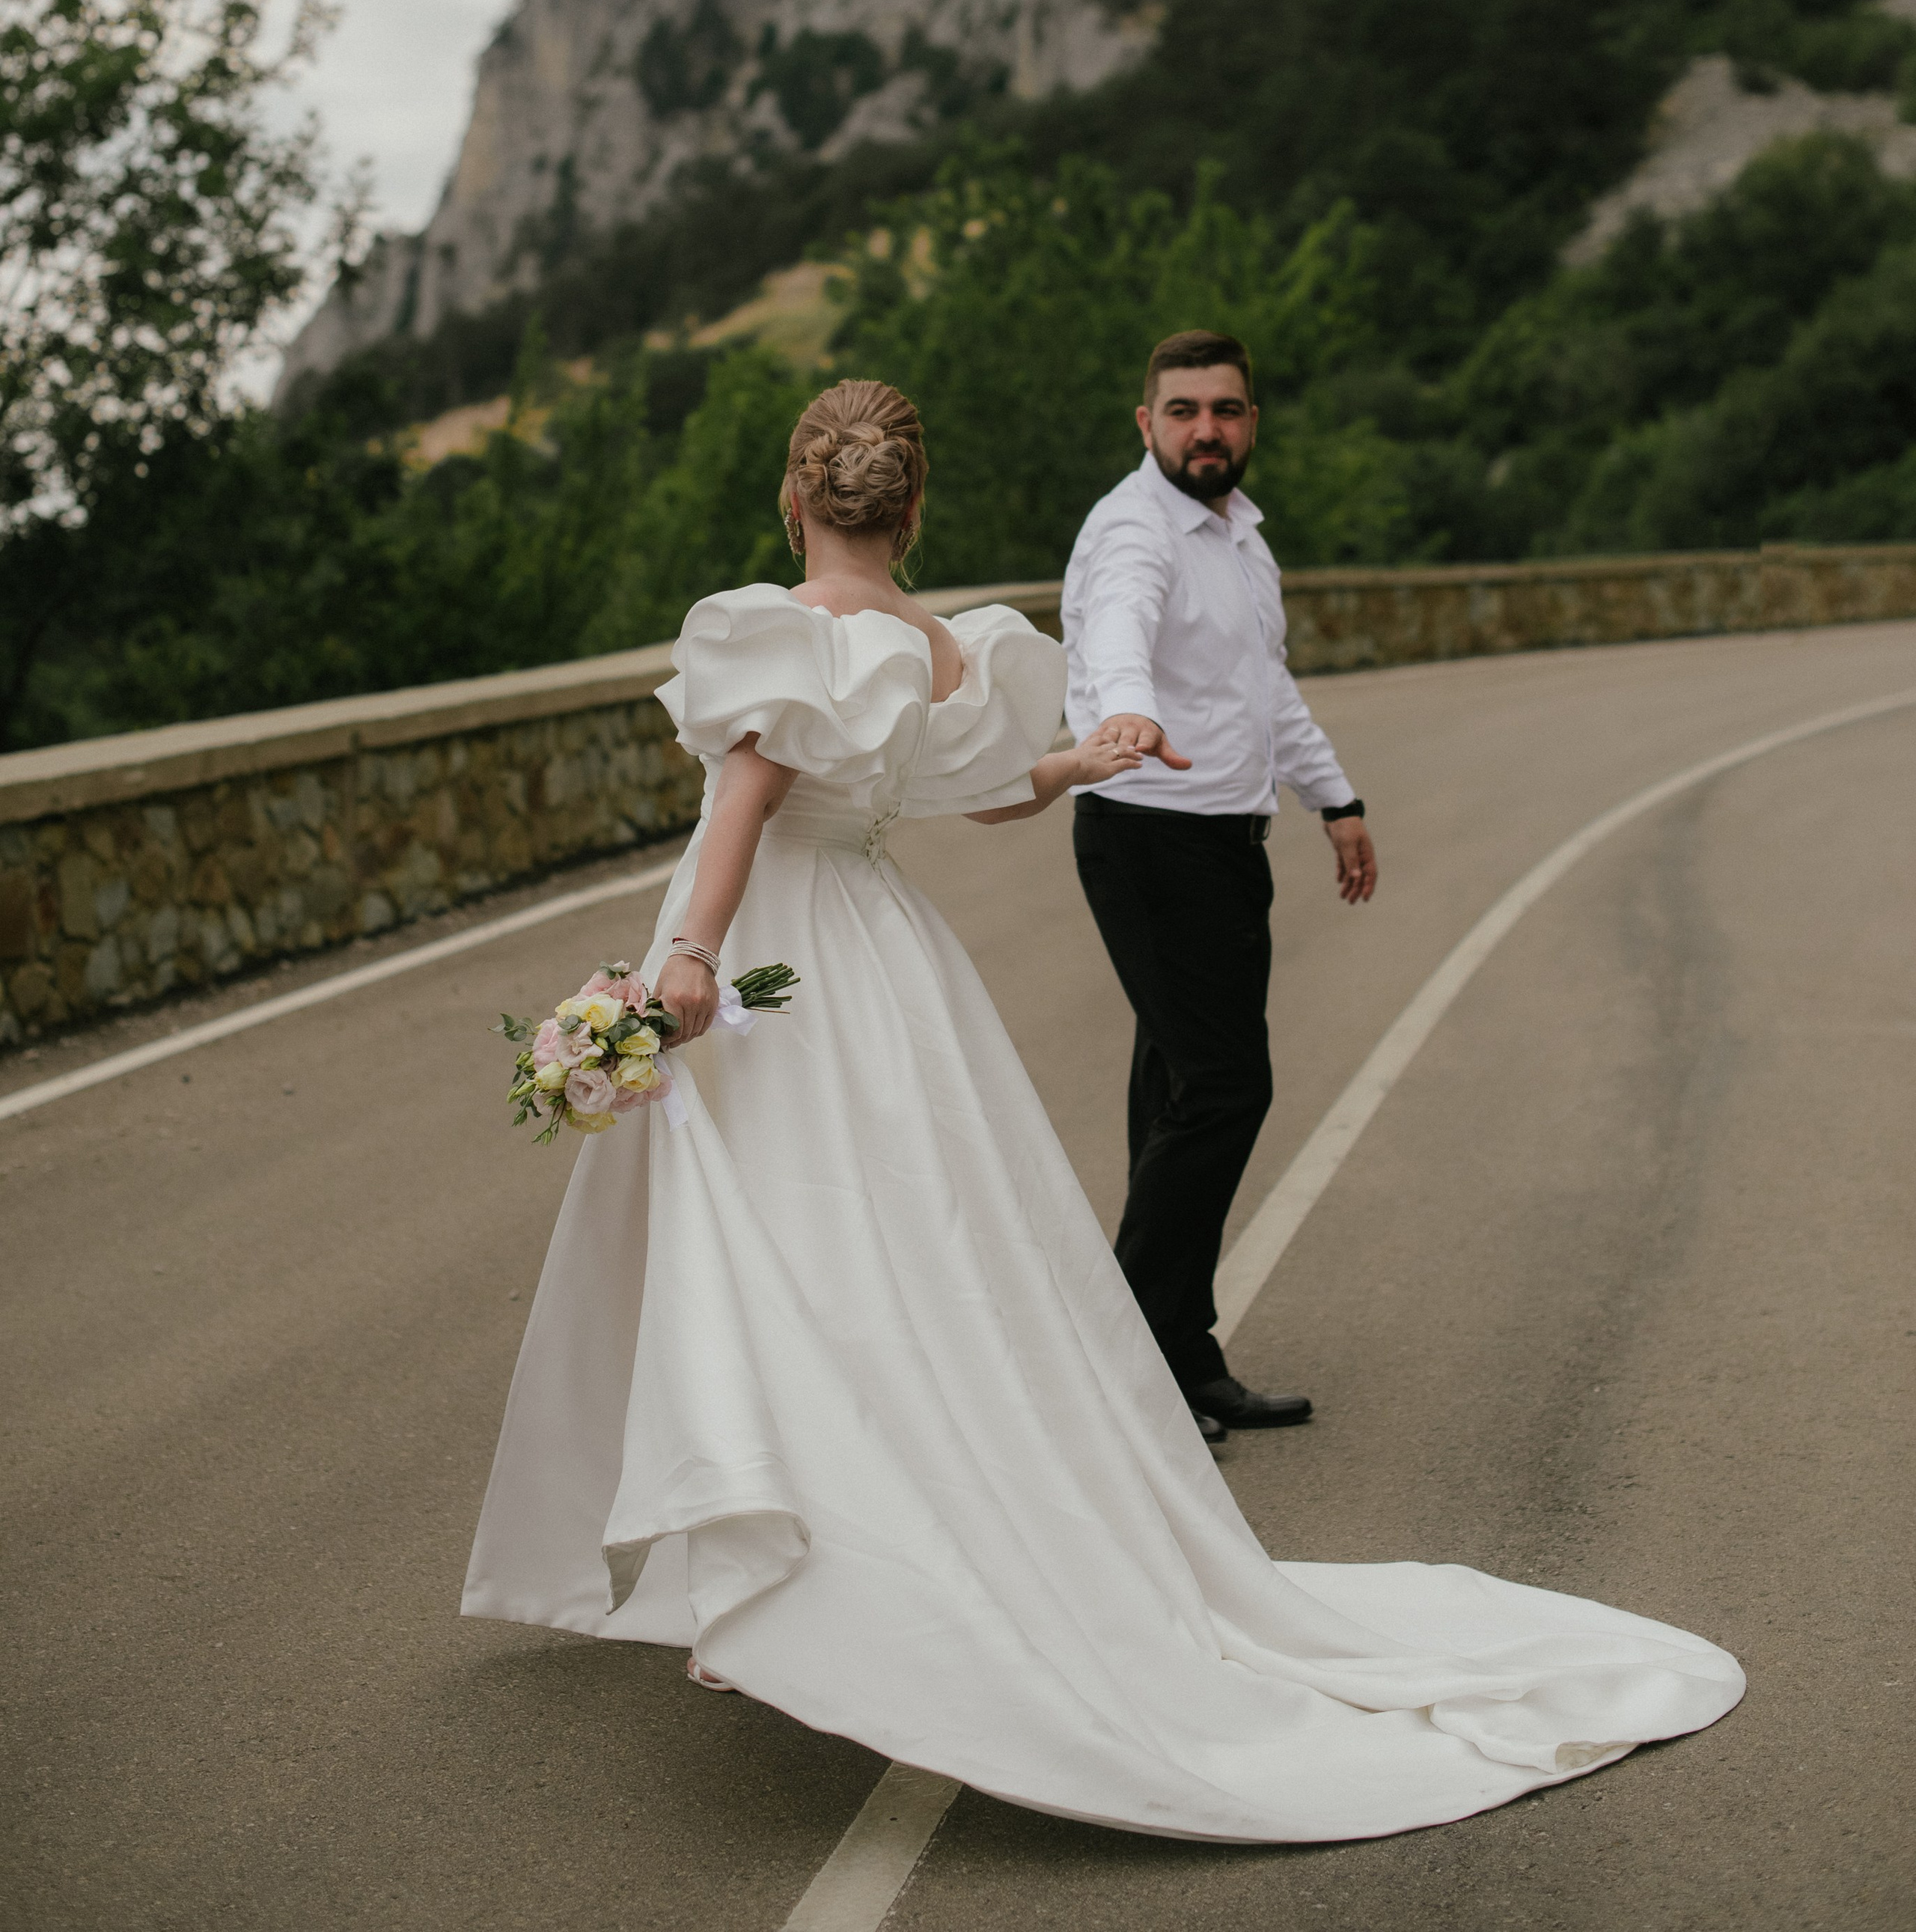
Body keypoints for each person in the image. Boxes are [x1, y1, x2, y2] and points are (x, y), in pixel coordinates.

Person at [463, 377, 1741, 1841]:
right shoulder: (946, 644)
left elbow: (741, 806)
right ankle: (775, 1567)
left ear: (791, 493)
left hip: (774, 951)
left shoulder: (781, 628)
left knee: (777, 1259)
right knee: (882, 1262)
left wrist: (681, 962)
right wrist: (1071, 758)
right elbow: (986, 792)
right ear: (915, 507)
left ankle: (787, 1587)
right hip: (883, 958)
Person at [1064, 329, 1375, 1445]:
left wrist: (1334, 801)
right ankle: (1125, 1368)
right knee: (1223, 1088)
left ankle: (1180, 1357)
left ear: (1251, 423)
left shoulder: (1240, 539)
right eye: (1184, 409)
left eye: (1227, 410)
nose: (1208, 429)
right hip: (1150, 836)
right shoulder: (1135, 531)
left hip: (1226, 841)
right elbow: (1116, 633)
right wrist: (1126, 709)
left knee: (1176, 1096)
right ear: (1145, 424)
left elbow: (1264, 686)